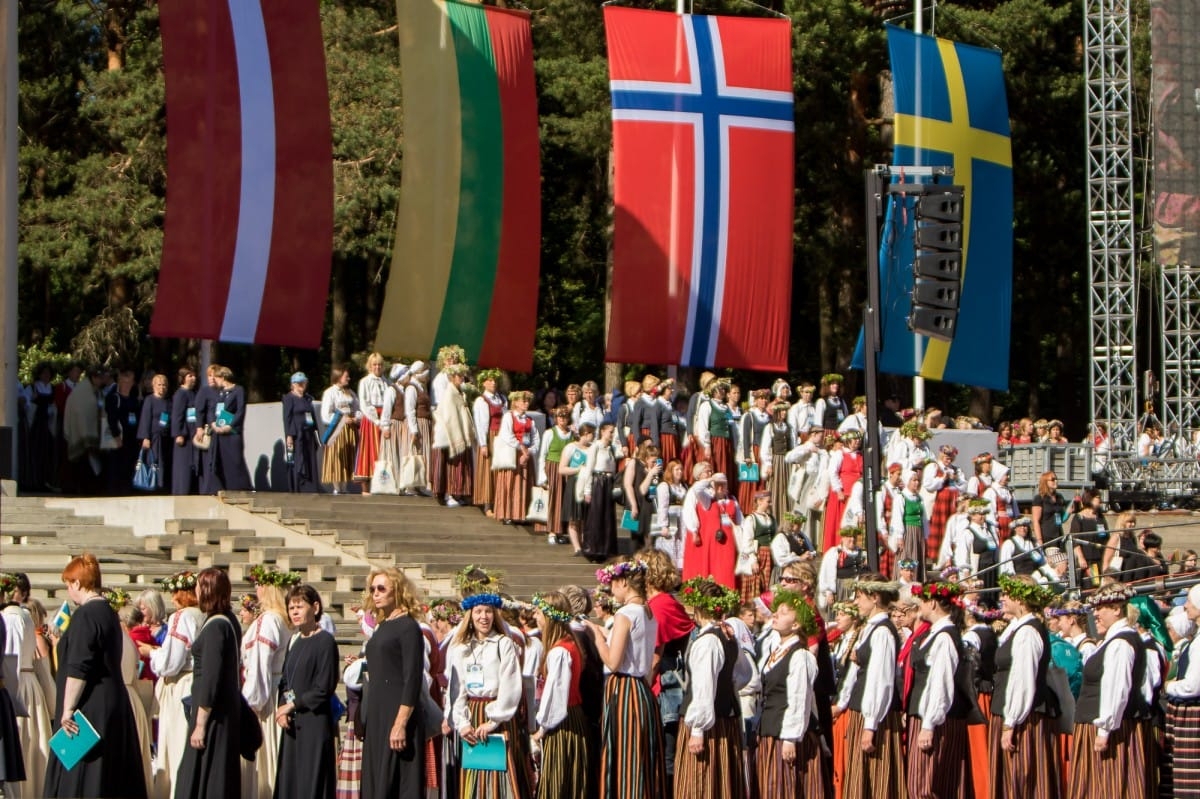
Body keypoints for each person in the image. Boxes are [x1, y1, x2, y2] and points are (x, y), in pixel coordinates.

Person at [44, 553, 146, 798]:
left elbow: (80, 667)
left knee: (84, 777)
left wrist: (68, 709)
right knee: (109, 778)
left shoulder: (86, 614)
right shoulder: (108, 613)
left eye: (69, 584)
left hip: (90, 707)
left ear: (78, 583)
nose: (69, 590)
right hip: (112, 703)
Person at [587, 559, 667, 799]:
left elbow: (612, 661)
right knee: (641, 756)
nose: (611, 590)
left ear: (623, 582)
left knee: (624, 755)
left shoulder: (625, 613)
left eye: (613, 584)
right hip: (642, 688)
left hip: (623, 689)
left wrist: (597, 636)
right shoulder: (649, 612)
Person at [449, 591, 531, 799]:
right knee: (474, 774)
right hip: (472, 714)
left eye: (488, 612)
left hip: (497, 714)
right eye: (478, 612)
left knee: (499, 774)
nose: (483, 617)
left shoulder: (504, 644)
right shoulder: (462, 648)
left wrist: (493, 721)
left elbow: (510, 684)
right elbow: (457, 688)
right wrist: (462, 722)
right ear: (471, 615)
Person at [1069, 582, 1147, 799]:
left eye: (1101, 608)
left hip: (1108, 730)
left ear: (1116, 609)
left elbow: (1116, 688)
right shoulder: (1114, 640)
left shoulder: (1121, 643)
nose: (1096, 614)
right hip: (1100, 725)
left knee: (1106, 787)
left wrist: (1104, 731)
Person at [673, 578, 749, 799]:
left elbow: (704, 686)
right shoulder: (728, 636)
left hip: (709, 727)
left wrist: (697, 730)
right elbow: (744, 675)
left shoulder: (708, 641)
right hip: (725, 720)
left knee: (701, 783)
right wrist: (726, 689)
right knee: (719, 784)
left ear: (698, 608)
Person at [833, 574, 905, 798]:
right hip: (861, 711)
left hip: (875, 716)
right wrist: (841, 703)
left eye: (860, 596)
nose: (856, 602)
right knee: (860, 779)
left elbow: (880, 680)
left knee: (877, 780)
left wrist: (871, 724)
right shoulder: (869, 628)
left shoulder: (882, 631)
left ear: (874, 597)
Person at [175, 568, 244, 799]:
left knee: (206, 775)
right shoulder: (228, 621)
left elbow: (211, 677)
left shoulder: (216, 626)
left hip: (213, 715)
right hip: (223, 711)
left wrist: (201, 723)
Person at [990, 575, 1060, 799]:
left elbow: (1022, 679)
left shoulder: (1028, 632)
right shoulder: (1018, 628)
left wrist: (1010, 723)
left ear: (1020, 600)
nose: (1002, 598)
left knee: (1020, 780)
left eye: (1007, 595)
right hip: (1012, 713)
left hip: (1023, 719)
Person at [360, 567, 426, 798]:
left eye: (381, 588)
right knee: (376, 781)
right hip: (378, 714)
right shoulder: (383, 626)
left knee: (396, 783)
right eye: (372, 589)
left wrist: (400, 723)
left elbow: (412, 679)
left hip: (397, 713)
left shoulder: (408, 627)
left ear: (397, 591)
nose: (375, 593)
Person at [906, 582, 973, 799]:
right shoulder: (937, 633)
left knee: (925, 786)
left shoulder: (944, 637)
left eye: (922, 602)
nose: (920, 607)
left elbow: (940, 683)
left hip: (937, 720)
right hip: (931, 718)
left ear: (933, 603)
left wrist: (928, 724)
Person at [274, 585, 340, 799]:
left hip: (314, 723)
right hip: (294, 723)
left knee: (311, 783)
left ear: (315, 607)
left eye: (299, 606)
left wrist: (293, 704)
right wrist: (285, 707)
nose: (294, 611)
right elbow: (287, 682)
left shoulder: (325, 641)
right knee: (291, 783)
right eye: (291, 607)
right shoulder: (295, 640)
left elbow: (324, 687)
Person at [148, 571, 204, 799]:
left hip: (181, 683)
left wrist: (153, 655)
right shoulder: (206, 615)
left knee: (177, 744)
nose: (172, 598)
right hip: (196, 682)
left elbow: (171, 661)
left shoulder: (182, 617)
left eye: (175, 593)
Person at [242, 567, 297, 799]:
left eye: (260, 584)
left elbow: (259, 665)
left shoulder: (268, 621)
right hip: (276, 692)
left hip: (266, 701)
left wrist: (250, 705)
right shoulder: (284, 621)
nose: (257, 589)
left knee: (264, 767)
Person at [530, 592, 591, 799]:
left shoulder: (559, 652)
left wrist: (542, 729)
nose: (535, 617)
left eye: (538, 612)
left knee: (557, 780)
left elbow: (555, 694)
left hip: (562, 723)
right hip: (572, 717)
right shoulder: (569, 645)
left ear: (549, 616)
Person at [1, 572, 50, 799]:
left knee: (21, 743)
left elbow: (10, 658)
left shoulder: (10, 618)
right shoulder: (26, 616)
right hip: (29, 681)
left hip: (17, 682)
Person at [1165, 584, 1200, 798]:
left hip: (1193, 715)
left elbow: (1193, 685)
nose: (1185, 605)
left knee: (1192, 787)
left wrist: (1169, 686)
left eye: (1189, 601)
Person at [681, 472, 742, 590]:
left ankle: (728, 598)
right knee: (714, 572)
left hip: (729, 544)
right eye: (717, 485)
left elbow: (741, 523)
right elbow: (696, 489)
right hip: (713, 545)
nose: (720, 488)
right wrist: (710, 479)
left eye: (723, 485)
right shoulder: (707, 500)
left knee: (727, 571)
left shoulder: (733, 500)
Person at [430, 363, 475, 508]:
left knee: (459, 464)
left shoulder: (459, 392)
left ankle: (458, 493)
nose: (462, 378)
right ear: (452, 377)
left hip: (458, 432)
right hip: (449, 434)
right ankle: (449, 494)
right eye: (459, 376)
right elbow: (450, 416)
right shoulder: (449, 393)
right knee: (451, 465)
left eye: (462, 376)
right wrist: (456, 435)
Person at [493, 390, 540, 524]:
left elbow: (536, 439)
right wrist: (521, 448)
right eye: (523, 401)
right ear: (516, 403)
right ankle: (507, 513)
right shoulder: (509, 416)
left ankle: (522, 513)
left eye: (527, 401)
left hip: (525, 455)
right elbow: (506, 435)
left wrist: (529, 452)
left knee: (524, 484)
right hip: (512, 454)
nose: (526, 403)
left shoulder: (530, 420)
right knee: (511, 483)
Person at [209, 365, 254, 491]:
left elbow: (240, 411)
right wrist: (213, 423)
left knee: (235, 460)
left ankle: (242, 488)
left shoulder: (238, 390)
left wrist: (230, 426)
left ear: (223, 377)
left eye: (216, 378)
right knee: (222, 462)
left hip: (232, 432)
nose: (215, 381)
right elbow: (213, 409)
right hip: (219, 432)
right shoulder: (220, 393)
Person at [319, 365, 361, 495]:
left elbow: (359, 410)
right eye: (345, 376)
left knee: (348, 457)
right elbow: (326, 415)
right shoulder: (330, 393)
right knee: (337, 458)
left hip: (350, 430)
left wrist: (355, 418)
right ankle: (337, 487)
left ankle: (344, 486)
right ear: (338, 377)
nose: (348, 378)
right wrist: (342, 419)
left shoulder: (351, 393)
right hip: (337, 430)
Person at [922, 445, 966, 566]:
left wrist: (956, 479)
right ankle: (937, 560)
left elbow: (963, 487)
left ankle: (951, 559)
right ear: (941, 455)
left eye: (951, 457)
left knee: (953, 529)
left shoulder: (956, 470)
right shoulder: (933, 467)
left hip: (953, 504)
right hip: (939, 504)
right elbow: (928, 485)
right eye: (946, 456)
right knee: (940, 529)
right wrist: (942, 478)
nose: (948, 459)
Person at [472, 369, 507, 516]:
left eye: (495, 380)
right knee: (488, 469)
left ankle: (499, 501)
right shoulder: (482, 400)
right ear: (484, 383)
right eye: (490, 380)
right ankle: (487, 504)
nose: (493, 383)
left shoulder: (502, 398)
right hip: (490, 436)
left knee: (500, 469)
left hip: (501, 437)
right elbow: (480, 424)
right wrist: (484, 444)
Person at [824, 430, 863, 550]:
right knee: (841, 521)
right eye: (854, 439)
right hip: (843, 495)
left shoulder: (860, 455)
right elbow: (832, 472)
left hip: (856, 494)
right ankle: (838, 546)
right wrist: (838, 490)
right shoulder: (839, 454)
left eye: (858, 440)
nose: (857, 442)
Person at [104, 369, 141, 494]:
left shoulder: (134, 400)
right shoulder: (113, 398)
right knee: (116, 466)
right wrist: (116, 436)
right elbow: (111, 418)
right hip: (119, 438)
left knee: (129, 466)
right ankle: (114, 491)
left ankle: (127, 490)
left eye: (130, 380)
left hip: (132, 438)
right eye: (125, 380)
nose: (128, 383)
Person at [283, 372, 320, 493]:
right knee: (296, 460)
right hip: (296, 435)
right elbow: (287, 417)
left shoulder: (307, 398)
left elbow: (312, 416)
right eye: (299, 383)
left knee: (309, 460)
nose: (302, 386)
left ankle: (311, 487)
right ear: (293, 385)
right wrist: (289, 435)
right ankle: (297, 486)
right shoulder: (289, 398)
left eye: (304, 383)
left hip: (308, 434)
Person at [736, 490, 775, 603]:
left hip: (769, 556)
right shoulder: (751, 519)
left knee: (767, 584)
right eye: (768, 501)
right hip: (758, 554)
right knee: (755, 584)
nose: (770, 504)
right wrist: (753, 560)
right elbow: (747, 541)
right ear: (759, 501)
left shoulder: (771, 518)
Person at [623, 442, 662, 552]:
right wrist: (633, 505)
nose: (655, 464)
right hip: (633, 504)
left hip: (648, 507)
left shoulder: (657, 472)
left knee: (649, 537)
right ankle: (632, 564)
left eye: (657, 461)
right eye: (653, 461)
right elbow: (632, 486)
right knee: (634, 538)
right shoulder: (634, 463)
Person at [136, 372, 171, 492]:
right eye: (159, 385)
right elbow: (145, 418)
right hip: (153, 437)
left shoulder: (168, 401)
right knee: (153, 461)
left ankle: (162, 485)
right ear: (154, 386)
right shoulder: (149, 400)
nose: (162, 387)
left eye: (164, 385)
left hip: (164, 437)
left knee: (163, 463)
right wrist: (145, 437)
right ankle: (152, 485)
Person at [653, 458, 689, 570]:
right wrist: (663, 526)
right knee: (670, 546)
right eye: (677, 469)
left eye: (681, 469)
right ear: (671, 471)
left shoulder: (684, 486)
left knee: (681, 546)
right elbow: (662, 508)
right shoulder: (665, 486)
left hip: (682, 520)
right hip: (671, 520)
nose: (680, 472)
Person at [171, 367, 200, 495]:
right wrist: (179, 434)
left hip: (193, 436)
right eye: (190, 376)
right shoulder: (180, 394)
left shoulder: (194, 393)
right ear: (183, 379)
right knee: (183, 468)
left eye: (194, 376)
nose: (193, 378)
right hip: (184, 437)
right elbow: (177, 415)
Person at [1030, 471, 1066, 548]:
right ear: (1045, 482)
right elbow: (1036, 521)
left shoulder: (1060, 497)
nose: (1056, 481)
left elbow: (1062, 518)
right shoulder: (1039, 498)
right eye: (1052, 479)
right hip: (1046, 536)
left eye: (1056, 479)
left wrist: (1068, 512)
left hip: (1059, 535)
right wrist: (1039, 540)